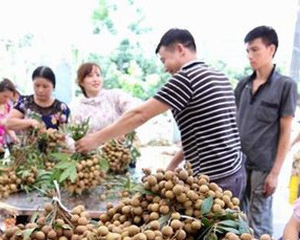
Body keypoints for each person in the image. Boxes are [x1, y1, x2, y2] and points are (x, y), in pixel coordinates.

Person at [76, 29, 245, 199]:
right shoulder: (219, 76)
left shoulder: (186, 78)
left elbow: (140, 114)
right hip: (234, 172)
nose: (165, 68)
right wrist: (172, 165)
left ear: (180, 49)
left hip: (214, 180)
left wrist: (96, 139)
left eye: (164, 60)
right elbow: (202, 134)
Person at [235, 26, 298, 238]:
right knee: (237, 218)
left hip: (264, 166)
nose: (250, 56)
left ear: (271, 49)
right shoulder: (243, 85)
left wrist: (275, 172)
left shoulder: (285, 86)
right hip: (239, 163)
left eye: (255, 50)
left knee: (258, 222)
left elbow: (285, 132)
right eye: (247, 51)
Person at [71, 62, 140, 133]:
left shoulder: (115, 96)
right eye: (90, 76)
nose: (95, 79)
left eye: (98, 75)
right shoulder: (78, 110)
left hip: (124, 142)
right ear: (81, 82)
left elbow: (134, 110)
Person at [7, 66, 70, 132]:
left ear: (53, 87)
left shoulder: (62, 108)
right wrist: (30, 122)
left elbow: (67, 133)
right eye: (37, 85)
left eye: (45, 87)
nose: (40, 90)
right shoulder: (24, 102)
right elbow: (9, 123)